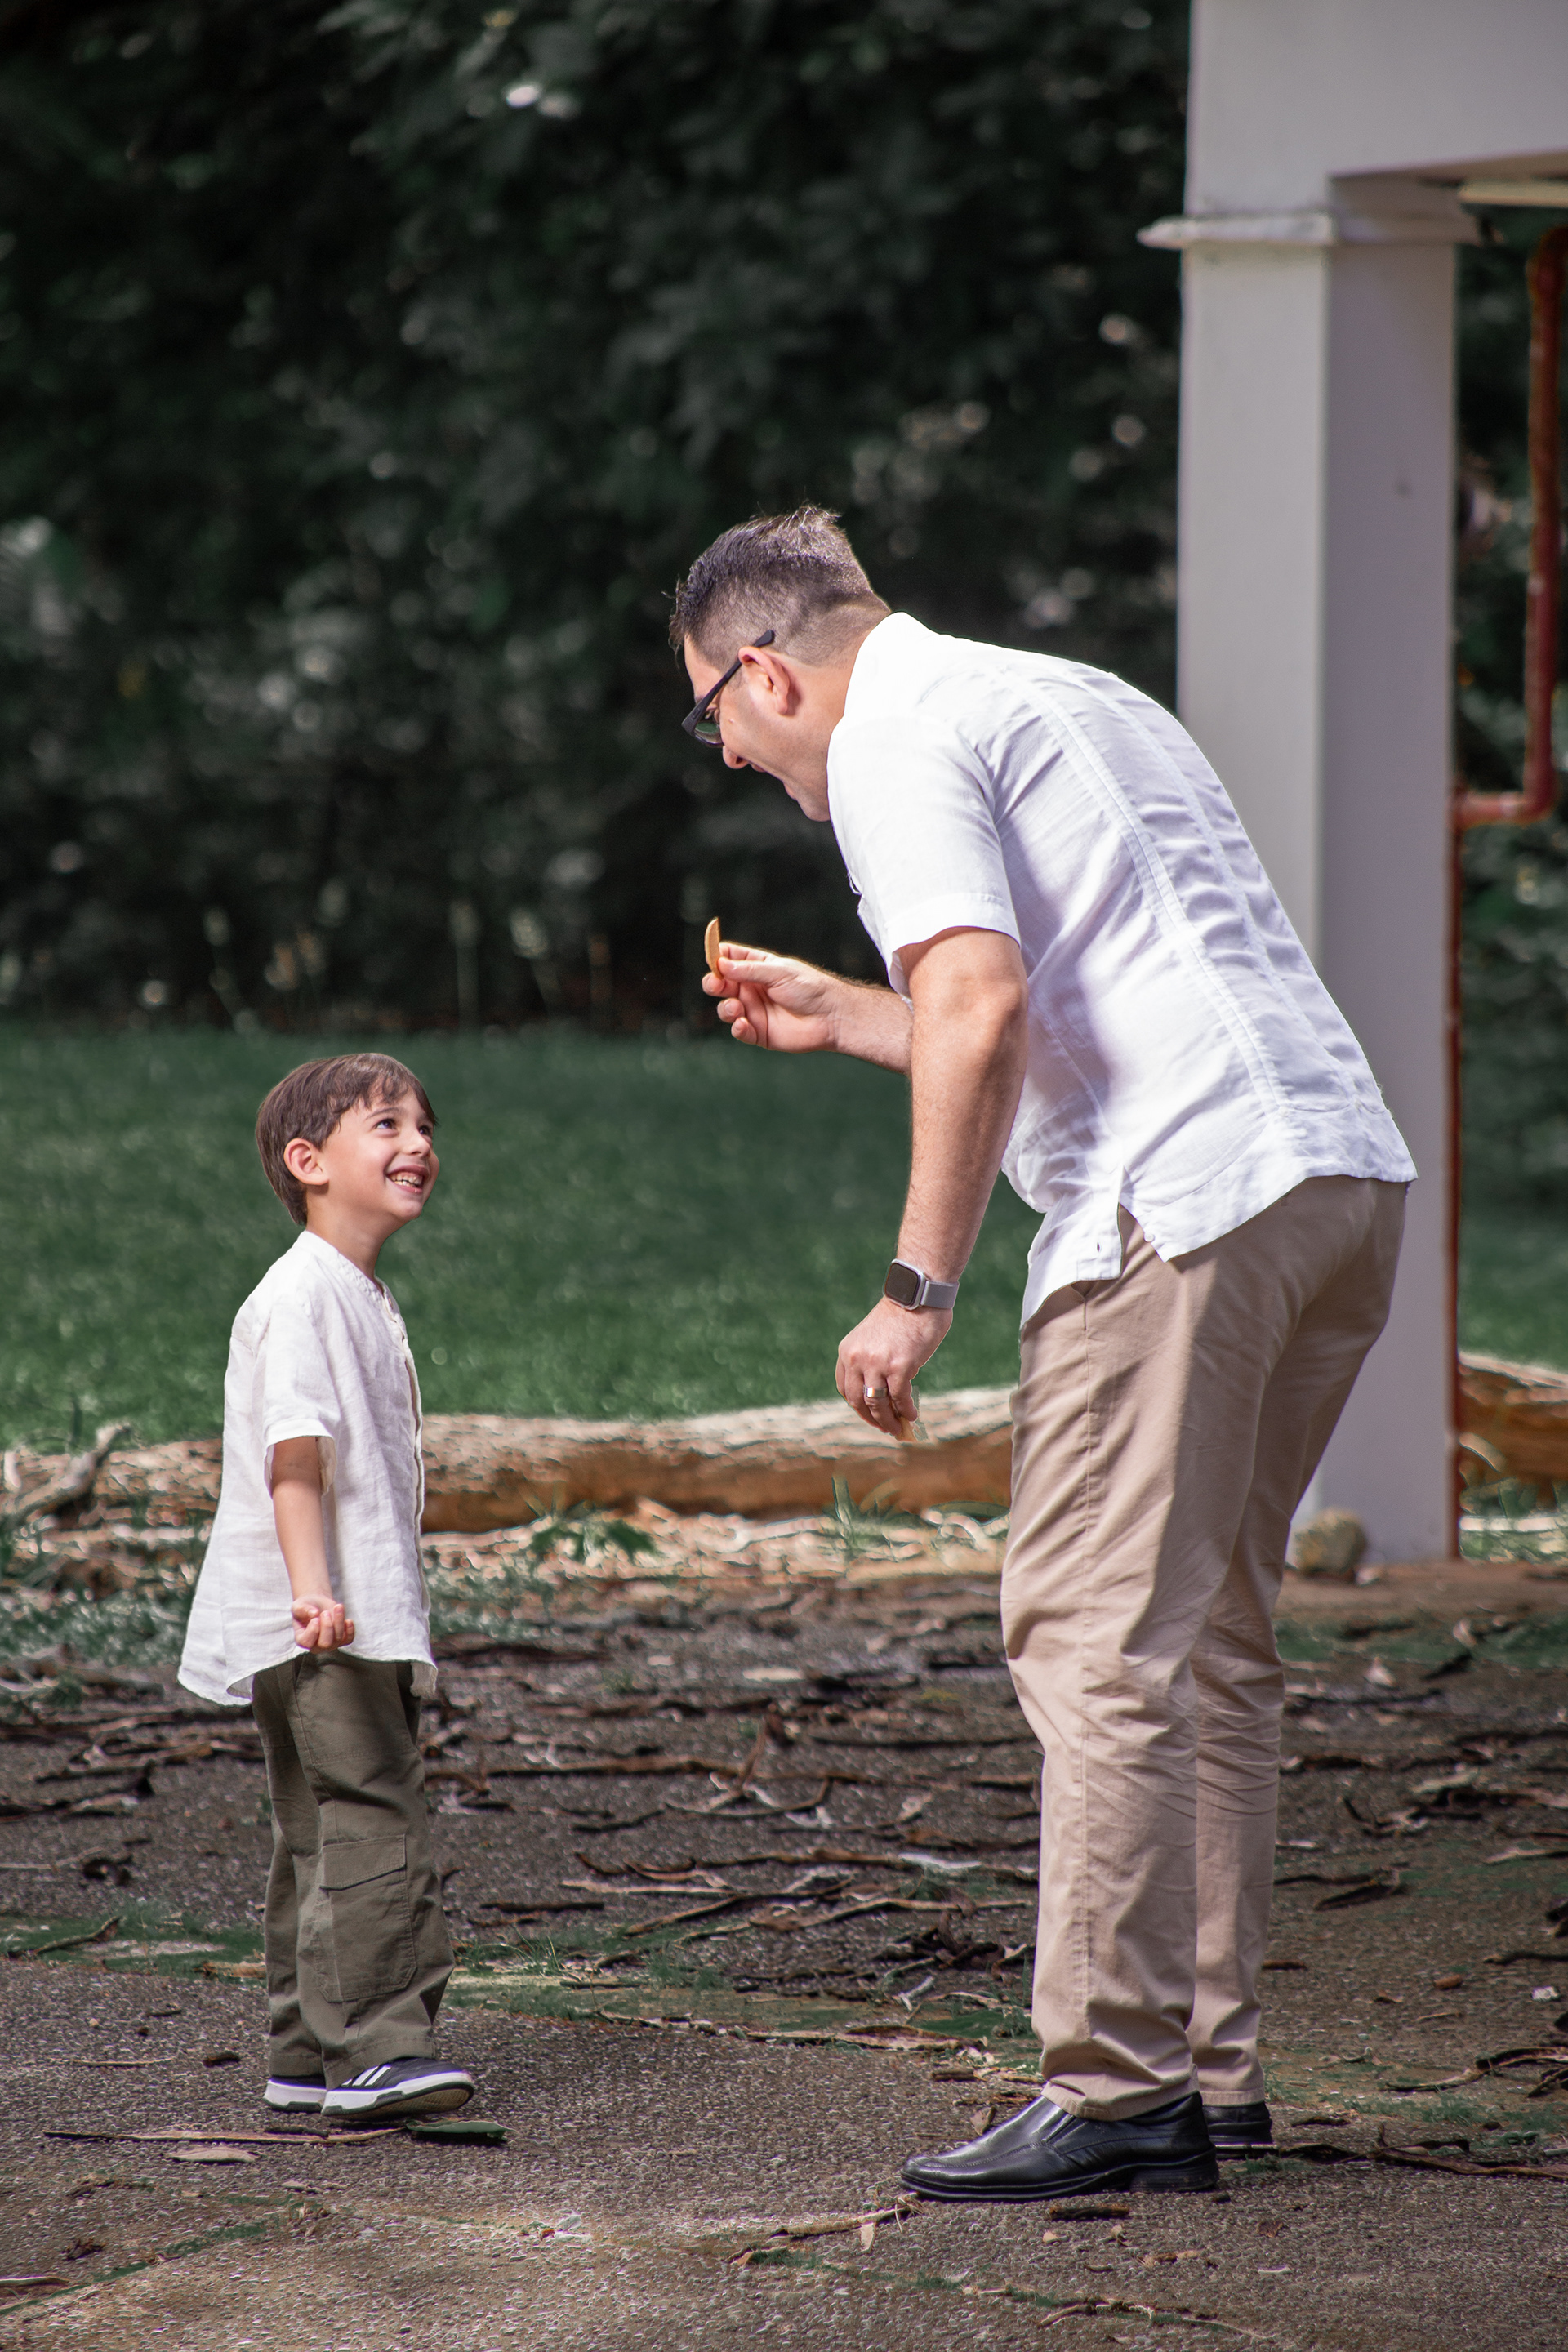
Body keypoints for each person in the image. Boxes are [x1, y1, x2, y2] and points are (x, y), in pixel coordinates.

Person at [671, 507, 1412, 2200]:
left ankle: (1117, 2086)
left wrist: (916, 1282)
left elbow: (986, 1004)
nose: (728, 756)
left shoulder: (890, 738)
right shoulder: (1070, 693)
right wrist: (848, 1014)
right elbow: (1065, 995)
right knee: (1206, 1633)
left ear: (764, 674)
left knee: (1089, 1635)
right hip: (1329, 1179)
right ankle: (1207, 2071)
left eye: (711, 718)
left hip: (1177, 1210)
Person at [179, 1054, 475, 2124]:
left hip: (332, 1614)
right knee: (372, 1814)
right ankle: (379, 2050)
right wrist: (313, 1593)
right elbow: (292, 1457)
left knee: (316, 1829)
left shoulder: (348, 1291)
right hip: (323, 1620)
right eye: (386, 1124)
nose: (418, 1143)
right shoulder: (304, 1295)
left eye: (424, 1125)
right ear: (309, 1162)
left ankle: (304, 2052)